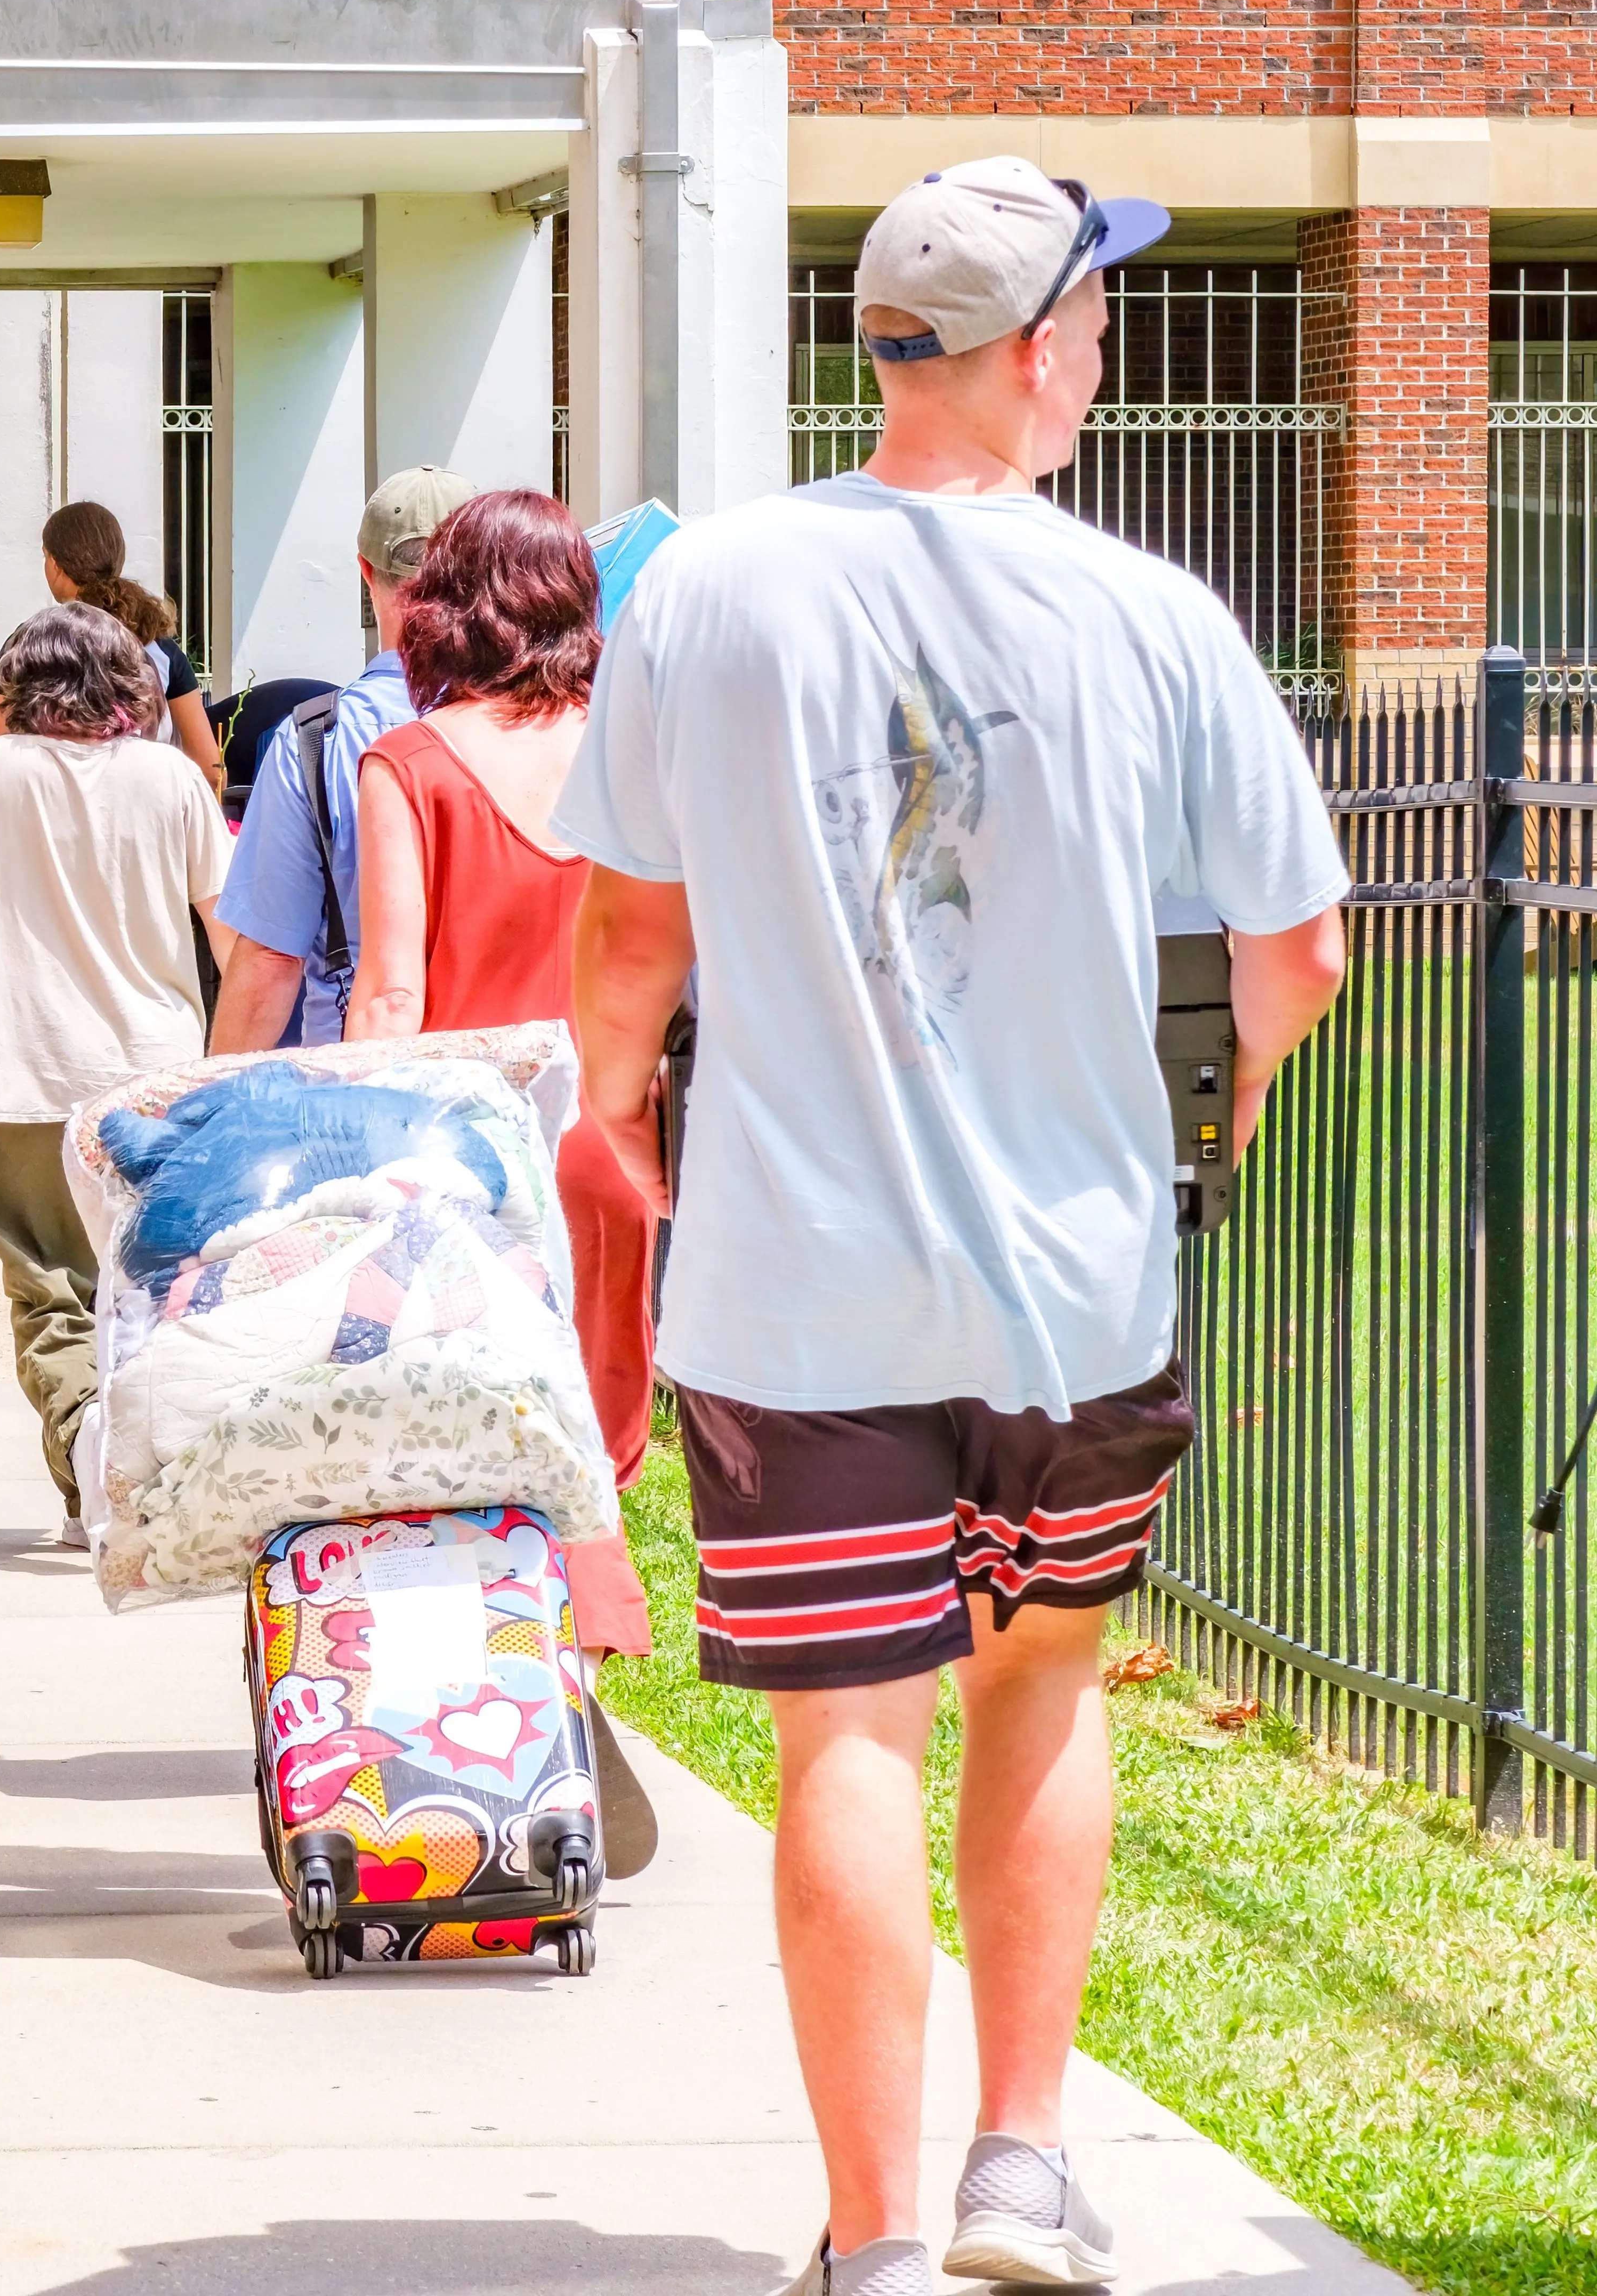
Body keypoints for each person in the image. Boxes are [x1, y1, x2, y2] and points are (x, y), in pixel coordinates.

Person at [558, 159, 1348, 2296]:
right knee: (1044, 1678)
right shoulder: (1150, 614)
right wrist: (1236, 1105)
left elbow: (628, 927)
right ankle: (1018, 2156)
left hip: (795, 1286)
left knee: (846, 1736)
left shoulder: (704, 593)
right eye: (1089, 323)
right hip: (1077, 1286)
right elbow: (1294, 950)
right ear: (1026, 353)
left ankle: (881, 2245)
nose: (1098, 353)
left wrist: (613, 1115)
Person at [343, 486, 661, 1873]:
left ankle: (487, 1706)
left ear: (444, 606)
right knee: (583, 1445)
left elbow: (392, 989)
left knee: (462, 1440)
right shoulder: (634, 761)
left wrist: (353, 1159)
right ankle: (574, 1674)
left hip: (465, 1159)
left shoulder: (406, 764)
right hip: (609, 1150)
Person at [0, 603, 231, 1549]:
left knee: (49, 1291)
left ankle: (85, 1479)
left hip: (27, 1077)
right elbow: (230, 924)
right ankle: (151, 1480)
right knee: (152, 1288)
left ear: (19, 692)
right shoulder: (175, 778)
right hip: (159, 1080)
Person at [207, 466, 477, 1054]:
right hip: (505, 1079)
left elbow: (271, 957)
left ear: (364, 572)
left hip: (353, 1077)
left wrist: (212, 1104)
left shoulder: (314, 740)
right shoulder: (536, 726)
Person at [36, 500, 223, 792]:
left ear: (57, 565)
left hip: (56, 816)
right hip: (149, 813)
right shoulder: (160, 651)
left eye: (45, 556)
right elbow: (210, 770)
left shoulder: (32, 648)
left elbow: (0, 753)